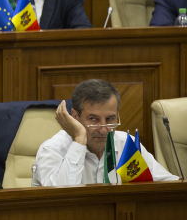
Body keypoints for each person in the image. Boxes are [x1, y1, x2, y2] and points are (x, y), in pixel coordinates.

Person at [33, 78, 179, 185]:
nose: (103, 129)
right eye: (93, 119)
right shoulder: (52, 150)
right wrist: (79, 139)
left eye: (110, 119)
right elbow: (61, 202)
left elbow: (168, 186)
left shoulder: (126, 145)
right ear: (75, 116)